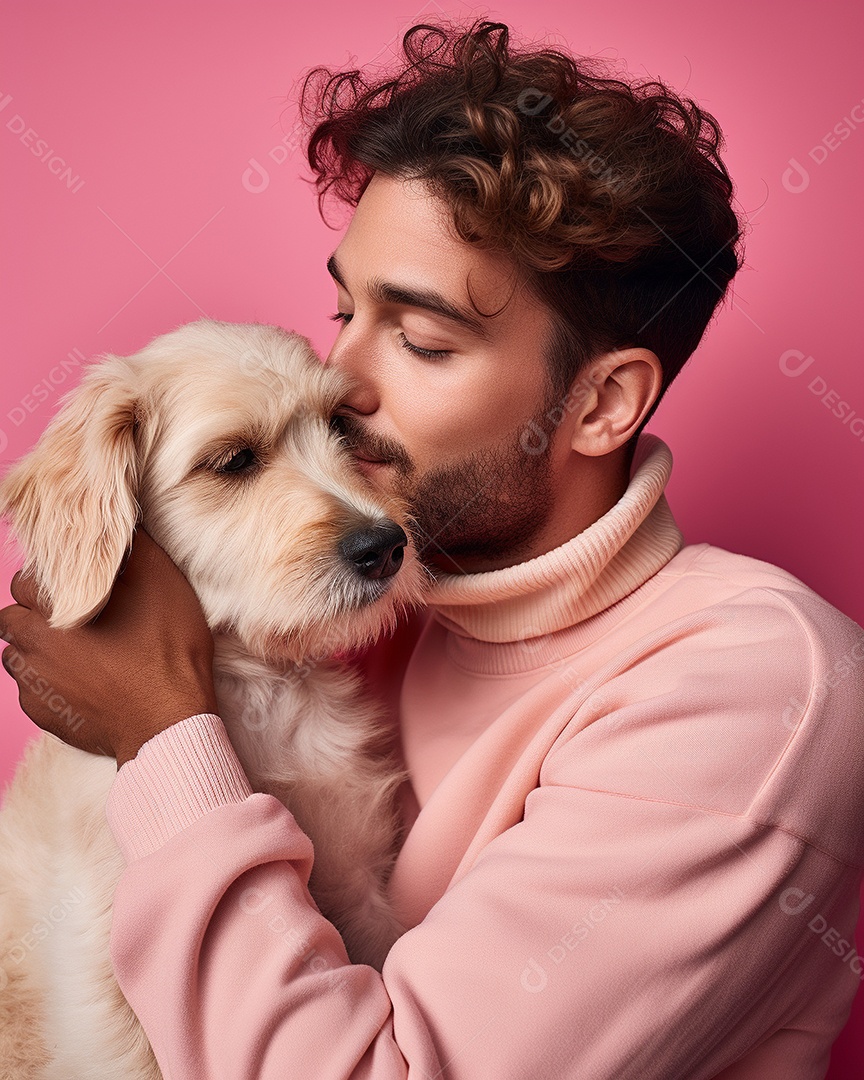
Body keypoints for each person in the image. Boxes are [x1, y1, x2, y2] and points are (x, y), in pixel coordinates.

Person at [2, 18, 863, 1079]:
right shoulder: (356, 610)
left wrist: (164, 734)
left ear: (600, 404)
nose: (344, 382)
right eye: (343, 308)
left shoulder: (758, 686)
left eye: (421, 339)